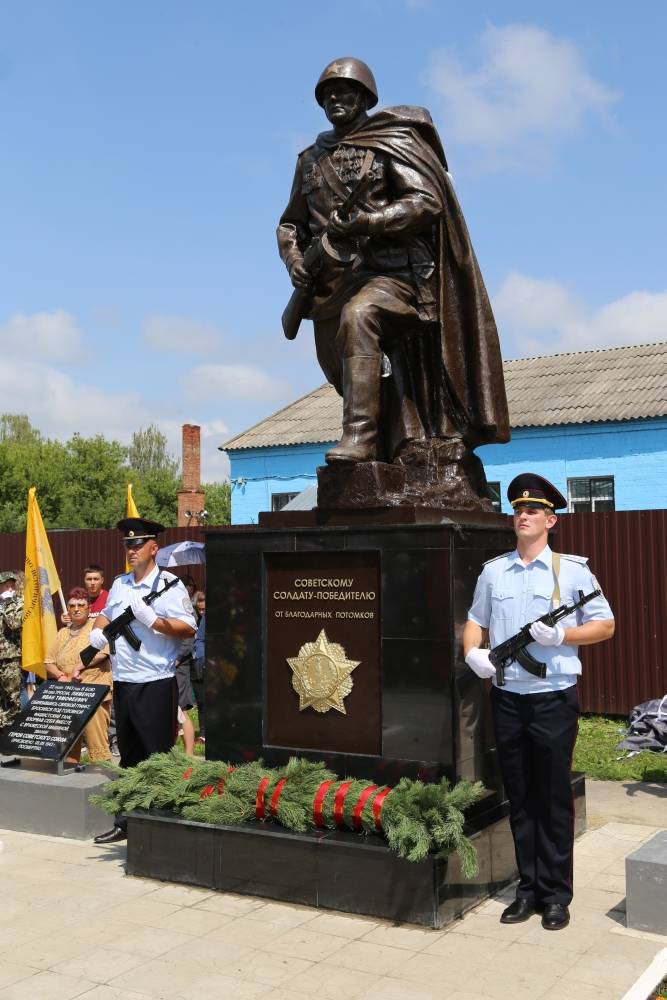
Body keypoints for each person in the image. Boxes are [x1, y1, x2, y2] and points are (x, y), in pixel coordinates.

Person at [277, 57, 508, 475]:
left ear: (365, 96)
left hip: (392, 275)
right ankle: (395, 442)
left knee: (359, 317)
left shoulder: (391, 141)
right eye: (327, 95)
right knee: (338, 368)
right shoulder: (309, 159)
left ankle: (360, 440)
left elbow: (427, 202)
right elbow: (290, 223)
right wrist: (294, 258)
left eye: (345, 92)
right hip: (328, 282)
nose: (335, 100)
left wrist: (371, 221)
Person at [462, 474, 615, 931]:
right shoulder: (494, 571)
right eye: (517, 510)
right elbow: (475, 620)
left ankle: (555, 895)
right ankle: (526, 890)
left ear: (550, 519)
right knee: (520, 795)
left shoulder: (572, 572)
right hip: (508, 699)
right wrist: (473, 653)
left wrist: (563, 634)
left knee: (552, 796)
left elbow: (605, 625)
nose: (523, 515)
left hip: (552, 700)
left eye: (532, 510)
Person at [89, 518, 196, 843]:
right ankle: (126, 822)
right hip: (124, 682)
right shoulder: (121, 584)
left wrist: (156, 622)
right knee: (129, 757)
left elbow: (188, 627)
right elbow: (109, 611)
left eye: (137, 545)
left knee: (156, 757)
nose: (131, 551)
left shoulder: (169, 585)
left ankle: (160, 824)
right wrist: (99, 628)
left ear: (153, 548)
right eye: (127, 545)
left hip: (155, 682)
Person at [44, 587, 112, 764]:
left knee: (97, 745)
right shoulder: (62, 632)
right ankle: (70, 780)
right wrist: (60, 676)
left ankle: (103, 782)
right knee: (66, 745)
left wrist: (78, 667)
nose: (76, 609)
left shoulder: (96, 628)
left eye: (81, 605)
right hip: (67, 695)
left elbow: (103, 652)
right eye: (72, 605)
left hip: (93, 691)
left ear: (89, 608)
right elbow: (48, 661)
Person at [0, 571, 23, 730]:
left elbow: (14, 623)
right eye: (5, 586)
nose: (9, 588)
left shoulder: (18, 603)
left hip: (9, 657)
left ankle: (11, 731)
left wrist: (8, 601)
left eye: (11, 585)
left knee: (12, 696)